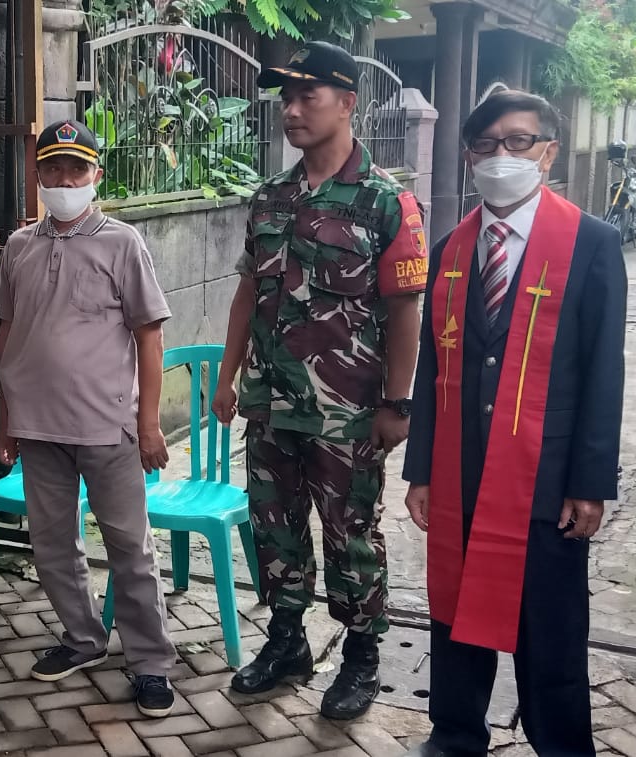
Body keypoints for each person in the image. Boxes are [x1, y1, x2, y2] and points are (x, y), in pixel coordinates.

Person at [401, 88, 626, 757]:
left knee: (549, 627)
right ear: (470, 155)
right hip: (462, 467)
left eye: (519, 141)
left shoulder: (591, 243)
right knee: (453, 615)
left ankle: (560, 744)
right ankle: (456, 734)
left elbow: (602, 372)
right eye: (488, 144)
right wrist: (420, 469)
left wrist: (590, 481)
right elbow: (430, 363)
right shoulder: (451, 246)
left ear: (548, 152)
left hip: (546, 476)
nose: (503, 156)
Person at [211, 41, 429, 718]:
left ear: (347, 103)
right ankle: (286, 641)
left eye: (308, 96)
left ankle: (361, 656)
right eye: (286, 97)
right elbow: (249, 290)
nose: (292, 109)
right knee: (275, 530)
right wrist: (227, 376)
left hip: (349, 411)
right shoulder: (270, 197)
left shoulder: (387, 202)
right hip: (270, 405)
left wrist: (397, 401)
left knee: (351, 533)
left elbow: (404, 309)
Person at [0, 120, 177, 716]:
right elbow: (5, 331)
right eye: (52, 169)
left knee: (128, 545)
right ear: (37, 175)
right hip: (38, 426)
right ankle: (83, 638)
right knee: (51, 542)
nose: (63, 180)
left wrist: (148, 425)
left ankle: (149, 661)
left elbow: (150, 337)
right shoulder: (19, 246)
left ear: (97, 175)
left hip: (107, 427)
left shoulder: (122, 243)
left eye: (76, 169)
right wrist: (6, 416)